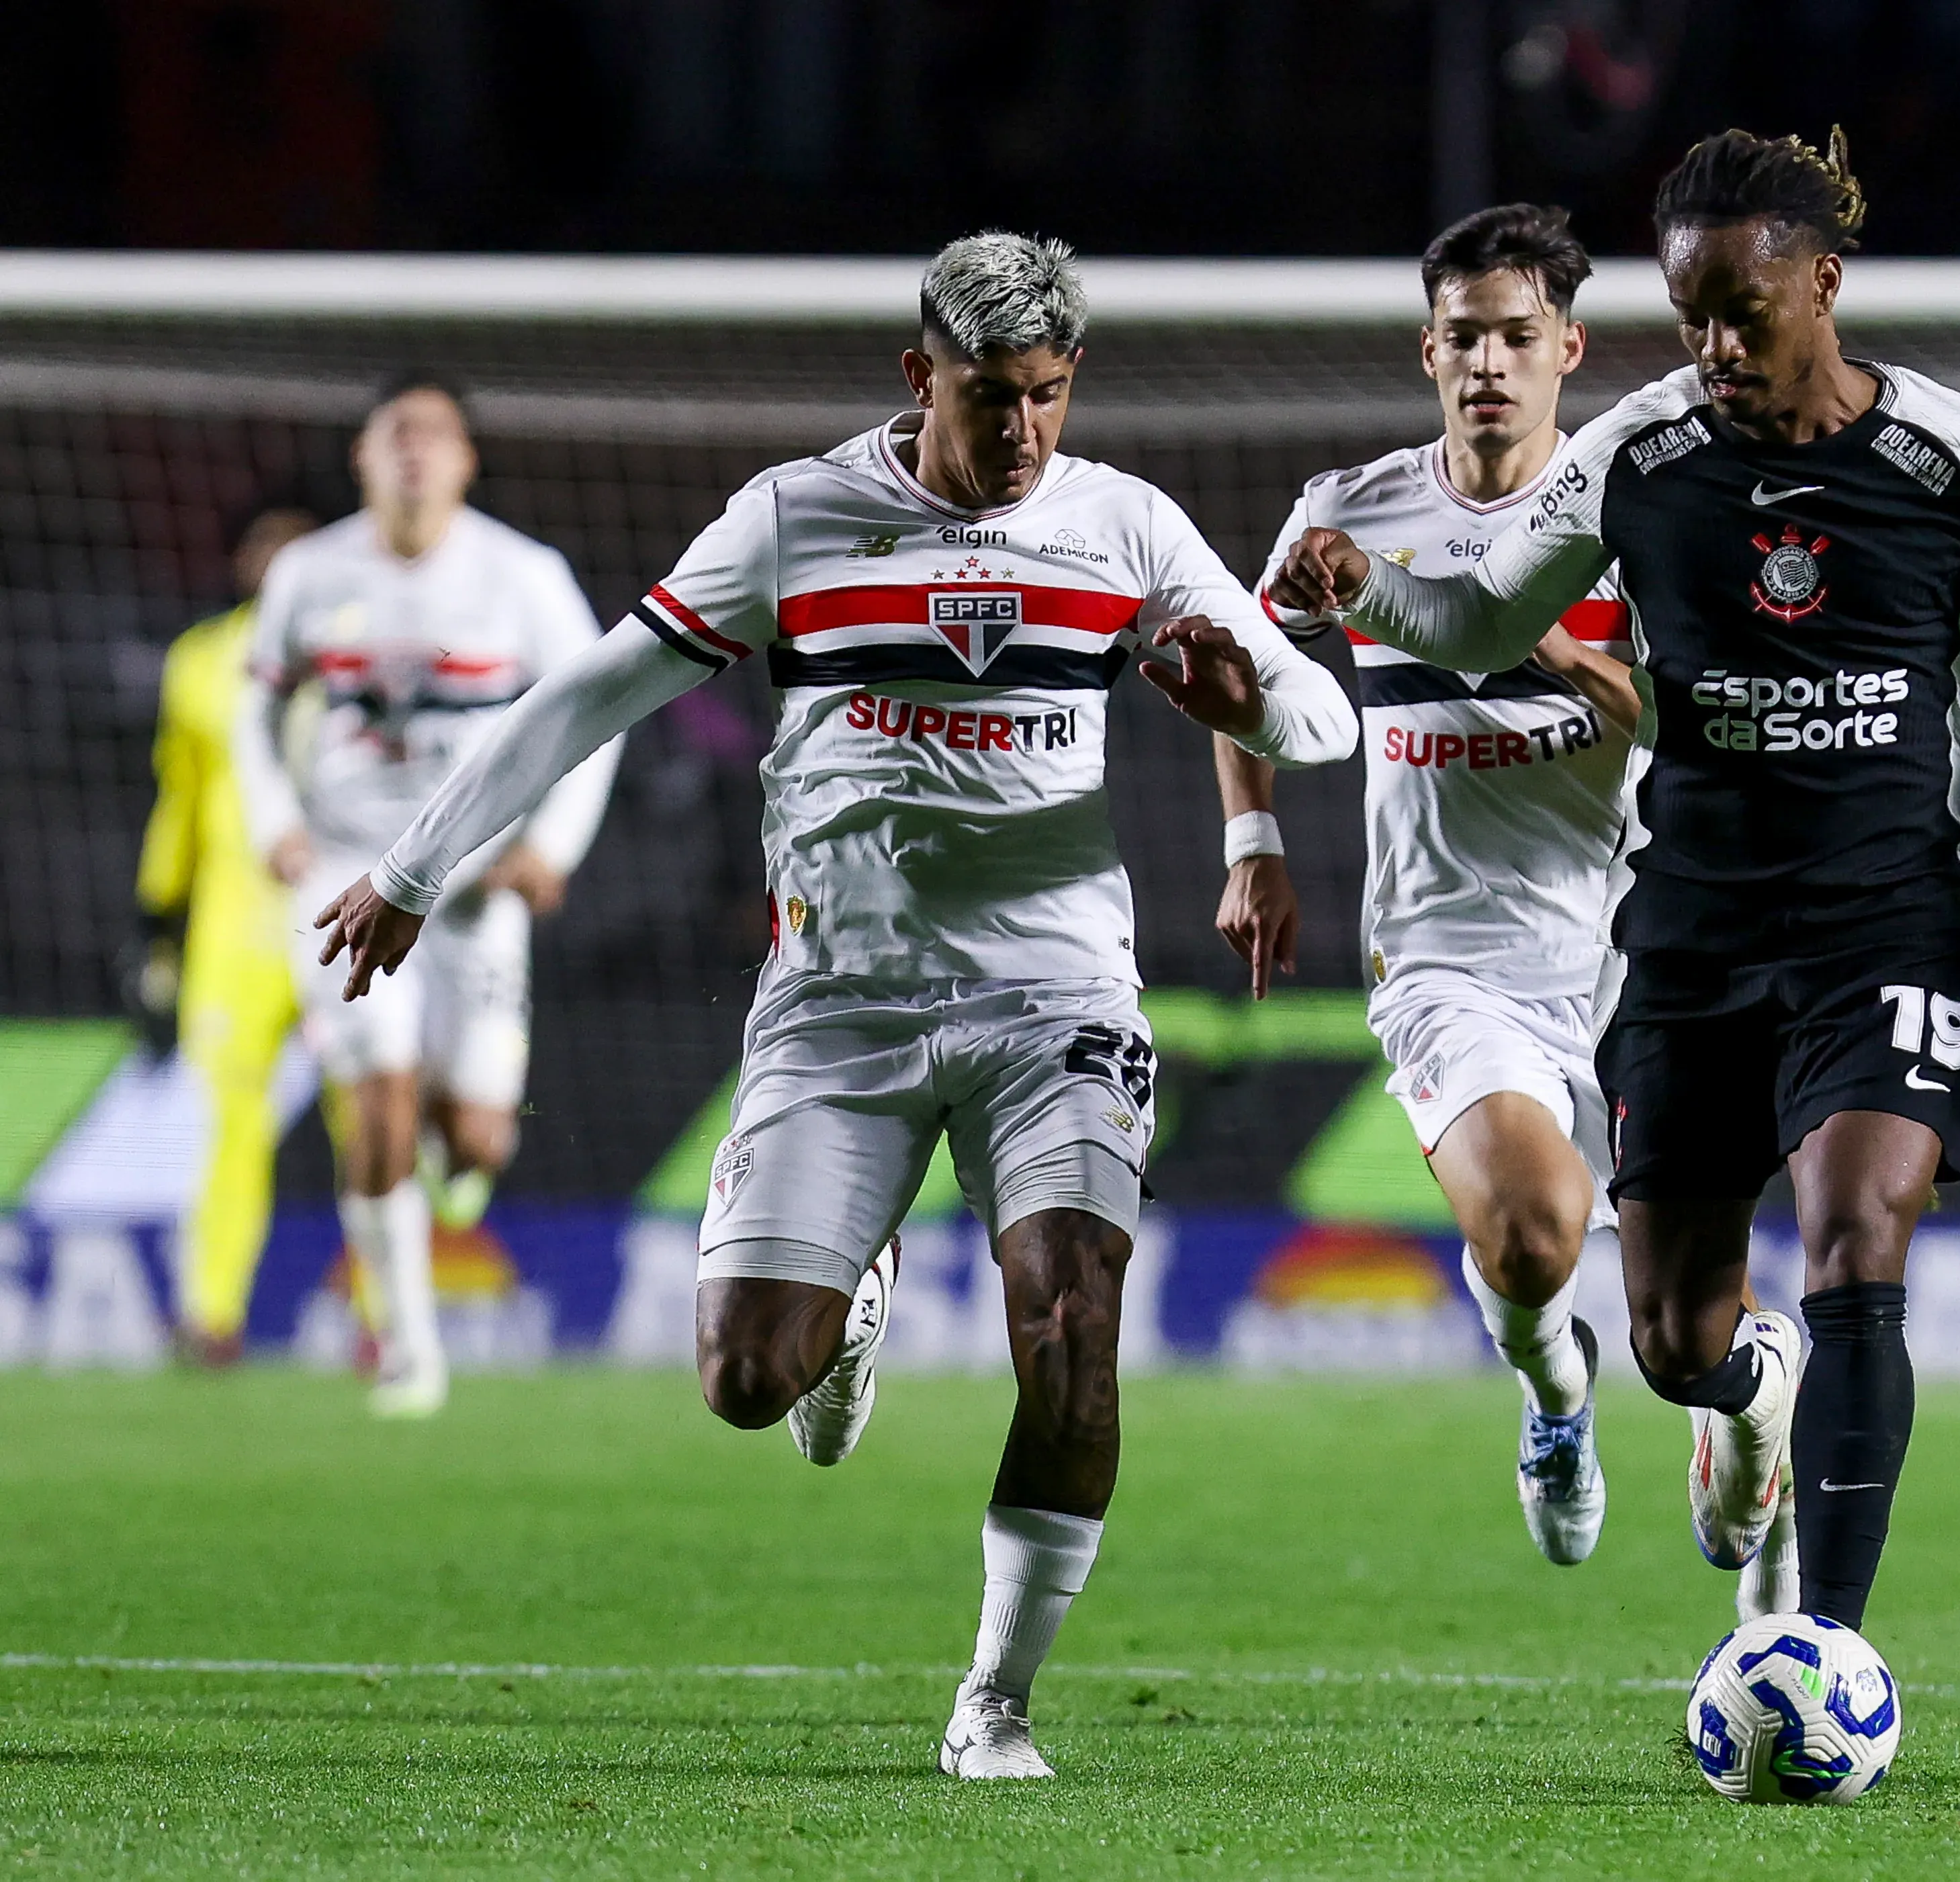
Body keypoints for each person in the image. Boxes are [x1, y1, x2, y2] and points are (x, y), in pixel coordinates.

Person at [313, 233, 1356, 1780]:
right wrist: (412, 868)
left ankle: (996, 1699)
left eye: (1050, 396)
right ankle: (846, 1306)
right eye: (992, 396)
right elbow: (589, 694)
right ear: (919, 374)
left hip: (1057, 1000)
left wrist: (1251, 702)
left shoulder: (1123, 523)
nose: (1023, 431)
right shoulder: (796, 517)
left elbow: (1325, 719)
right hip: (843, 1007)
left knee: (1072, 1324)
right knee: (749, 1380)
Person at [1272, 129, 1960, 1635]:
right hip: (1695, 930)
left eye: (1745, 311)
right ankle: (1746, 1389)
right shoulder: (1637, 455)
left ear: (1824, 284)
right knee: (1672, 1339)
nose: (1716, 346)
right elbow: (1481, 627)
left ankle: (1826, 1645)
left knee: (1857, 1242)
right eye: (1692, 317)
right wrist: (1373, 589)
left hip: (1895, 915)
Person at [1214, 203, 1654, 1578]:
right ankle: (1555, 1392)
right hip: (1448, 960)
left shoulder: (1630, 517)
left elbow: (1688, 716)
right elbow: (1247, 671)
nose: (1489, 363)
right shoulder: (1349, 512)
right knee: (1531, 1237)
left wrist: (1531, 645)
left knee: (1702, 1322)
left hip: (1639, 952)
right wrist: (1252, 841)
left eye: (1517, 335)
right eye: (1464, 336)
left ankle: (1764, 1524)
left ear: (1569, 349)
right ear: (1428, 351)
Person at [235, 375, 619, 1417]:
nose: (414, 451)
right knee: (379, 1093)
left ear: (466, 461)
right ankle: (407, 1348)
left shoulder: (523, 576)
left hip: (472, 878)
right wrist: (274, 821)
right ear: (362, 456)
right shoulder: (309, 572)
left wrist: (552, 845)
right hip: (348, 872)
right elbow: (253, 710)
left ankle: (463, 1152)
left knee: (476, 1133)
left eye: (434, 435)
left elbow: (600, 712)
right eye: (394, 433)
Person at [134, 502, 320, 1365]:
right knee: (227, 1124)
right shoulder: (200, 662)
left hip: (343, 916)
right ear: (245, 561)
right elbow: (180, 799)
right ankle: (212, 1316)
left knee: (373, 1117)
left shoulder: (369, 657)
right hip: (230, 929)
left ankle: (388, 1322)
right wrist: (156, 921)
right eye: (265, 547)